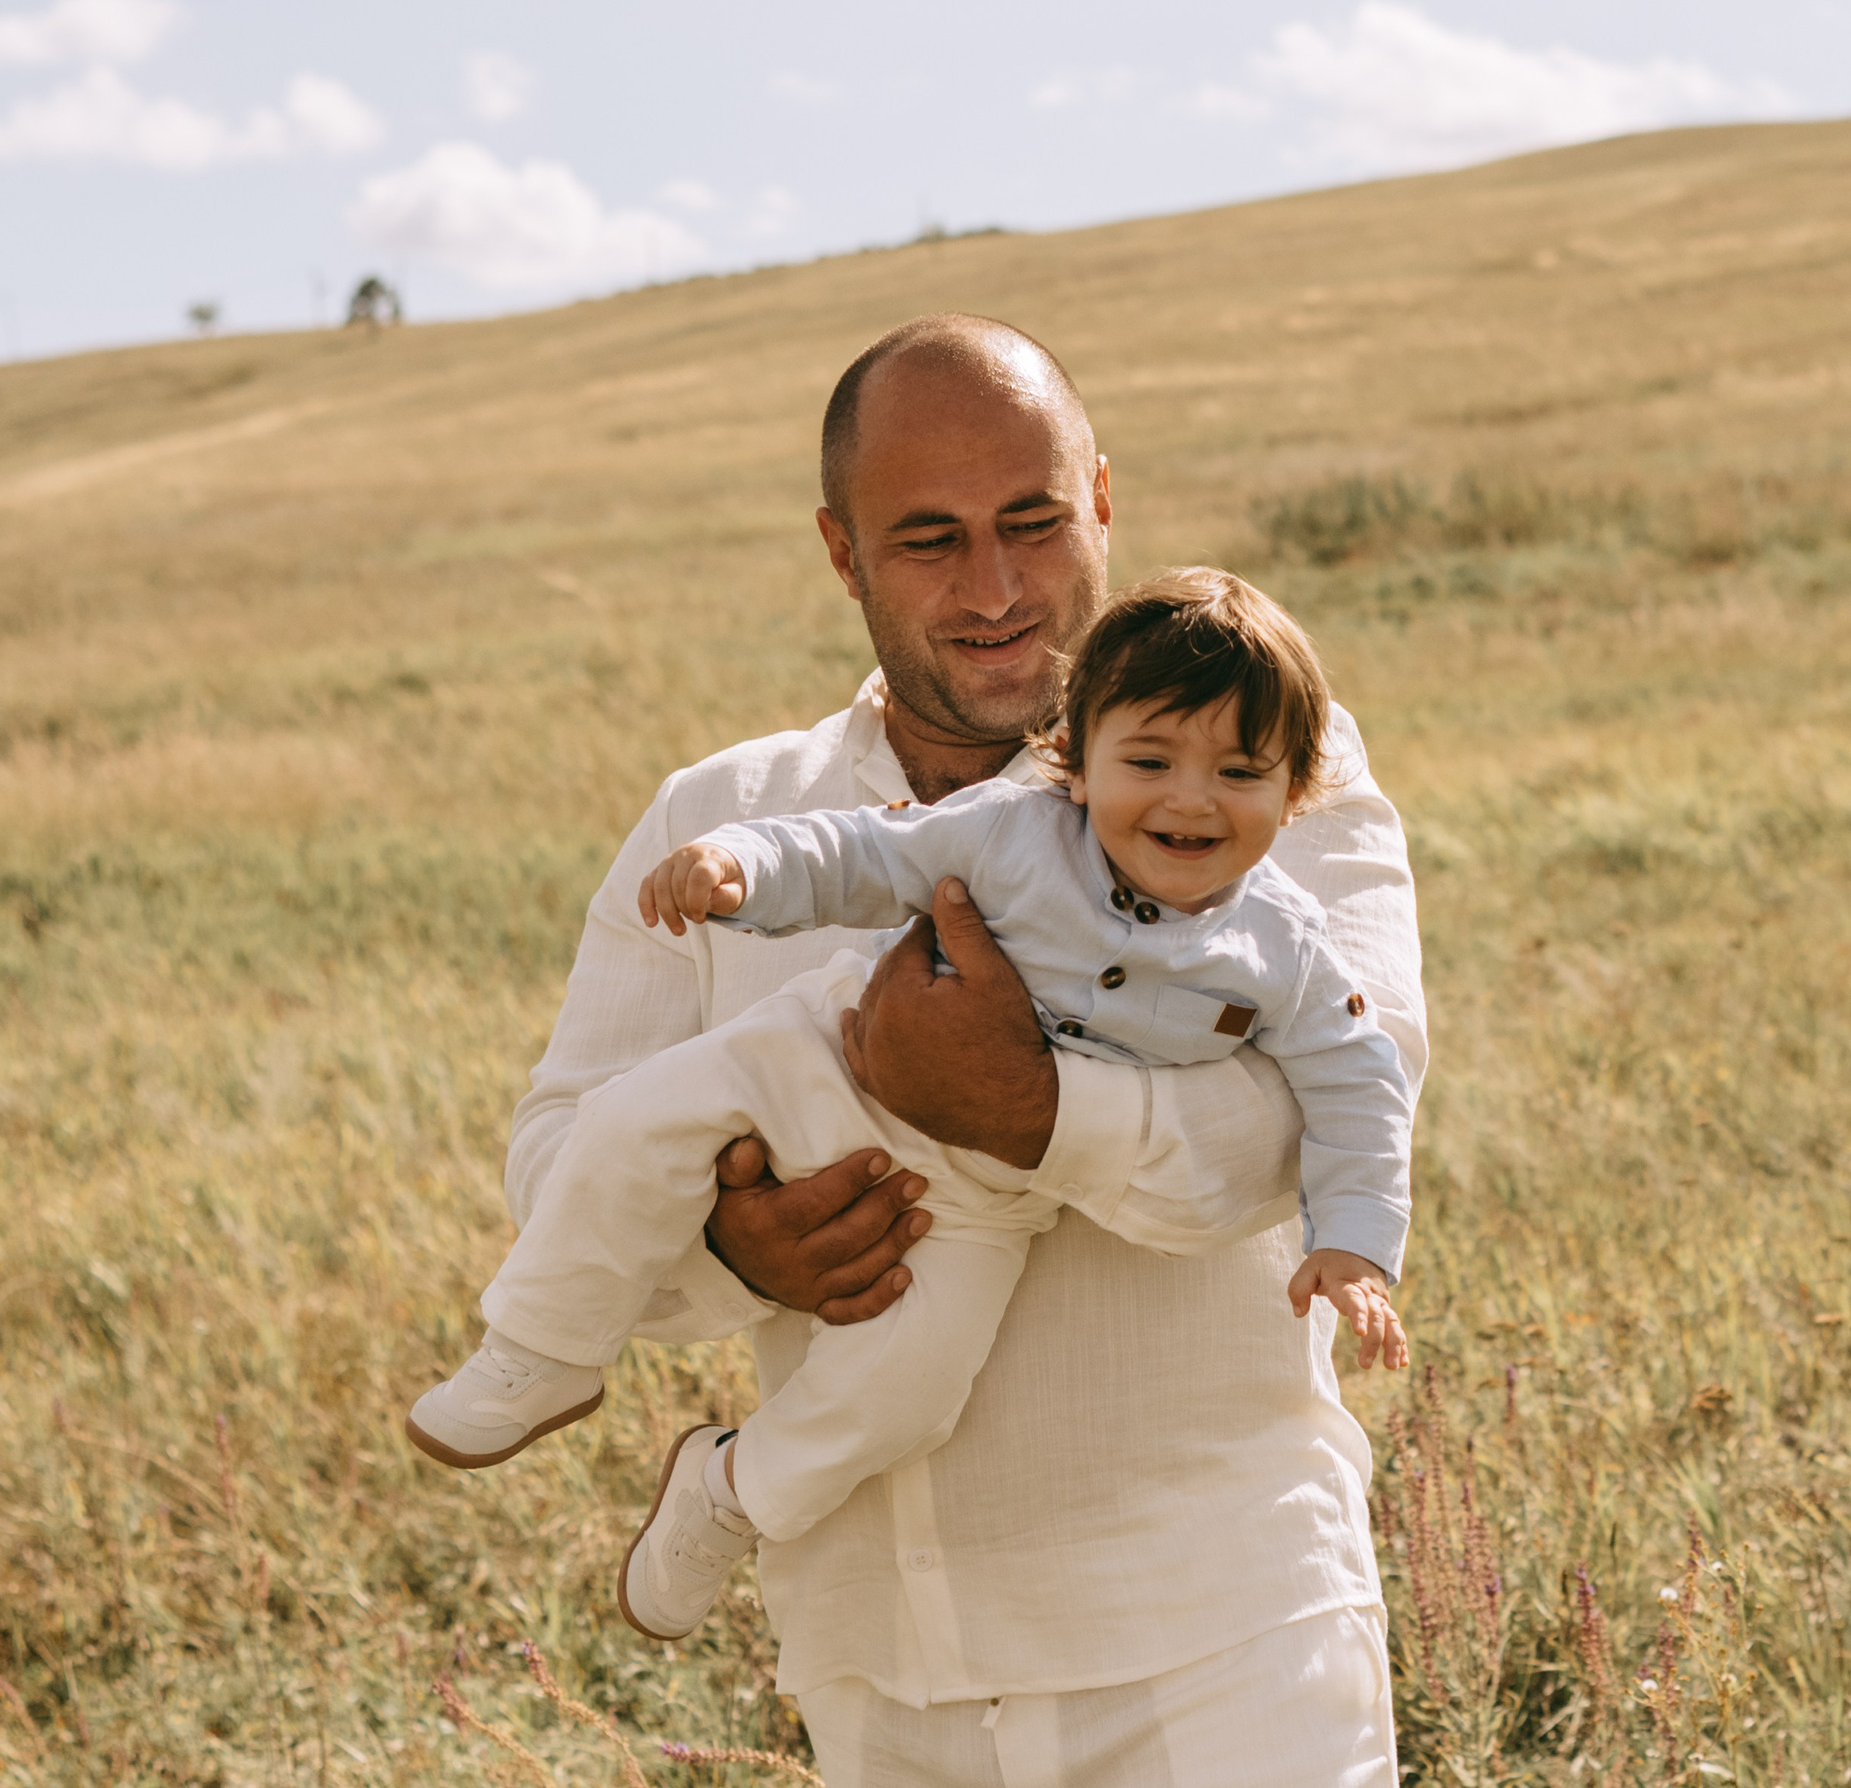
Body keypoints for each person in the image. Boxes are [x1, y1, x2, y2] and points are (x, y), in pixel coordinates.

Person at [498, 315, 1425, 1785]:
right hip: (882, 1676)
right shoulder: (721, 823)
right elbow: (559, 1166)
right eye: (929, 539)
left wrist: (1025, 1107)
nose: (995, 590)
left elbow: (1306, 1130)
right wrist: (739, 1250)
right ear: (840, 552)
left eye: (1033, 522)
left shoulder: (1267, 771)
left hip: (1224, 1648)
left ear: (1102, 502)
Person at [407, 568, 1415, 1640]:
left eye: (1239, 772)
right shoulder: (1010, 830)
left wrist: (1354, 1244)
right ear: (1075, 764)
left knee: (907, 1389)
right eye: (1149, 762)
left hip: (985, 1199)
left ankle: (733, 1490)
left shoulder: (1286, 949)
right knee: (636, 1122)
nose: (1191, 799)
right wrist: (740, 863)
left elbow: (1361, 1079)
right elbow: (862, 850)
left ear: (1293, 790)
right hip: (817, 1061)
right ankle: (543, 1351)